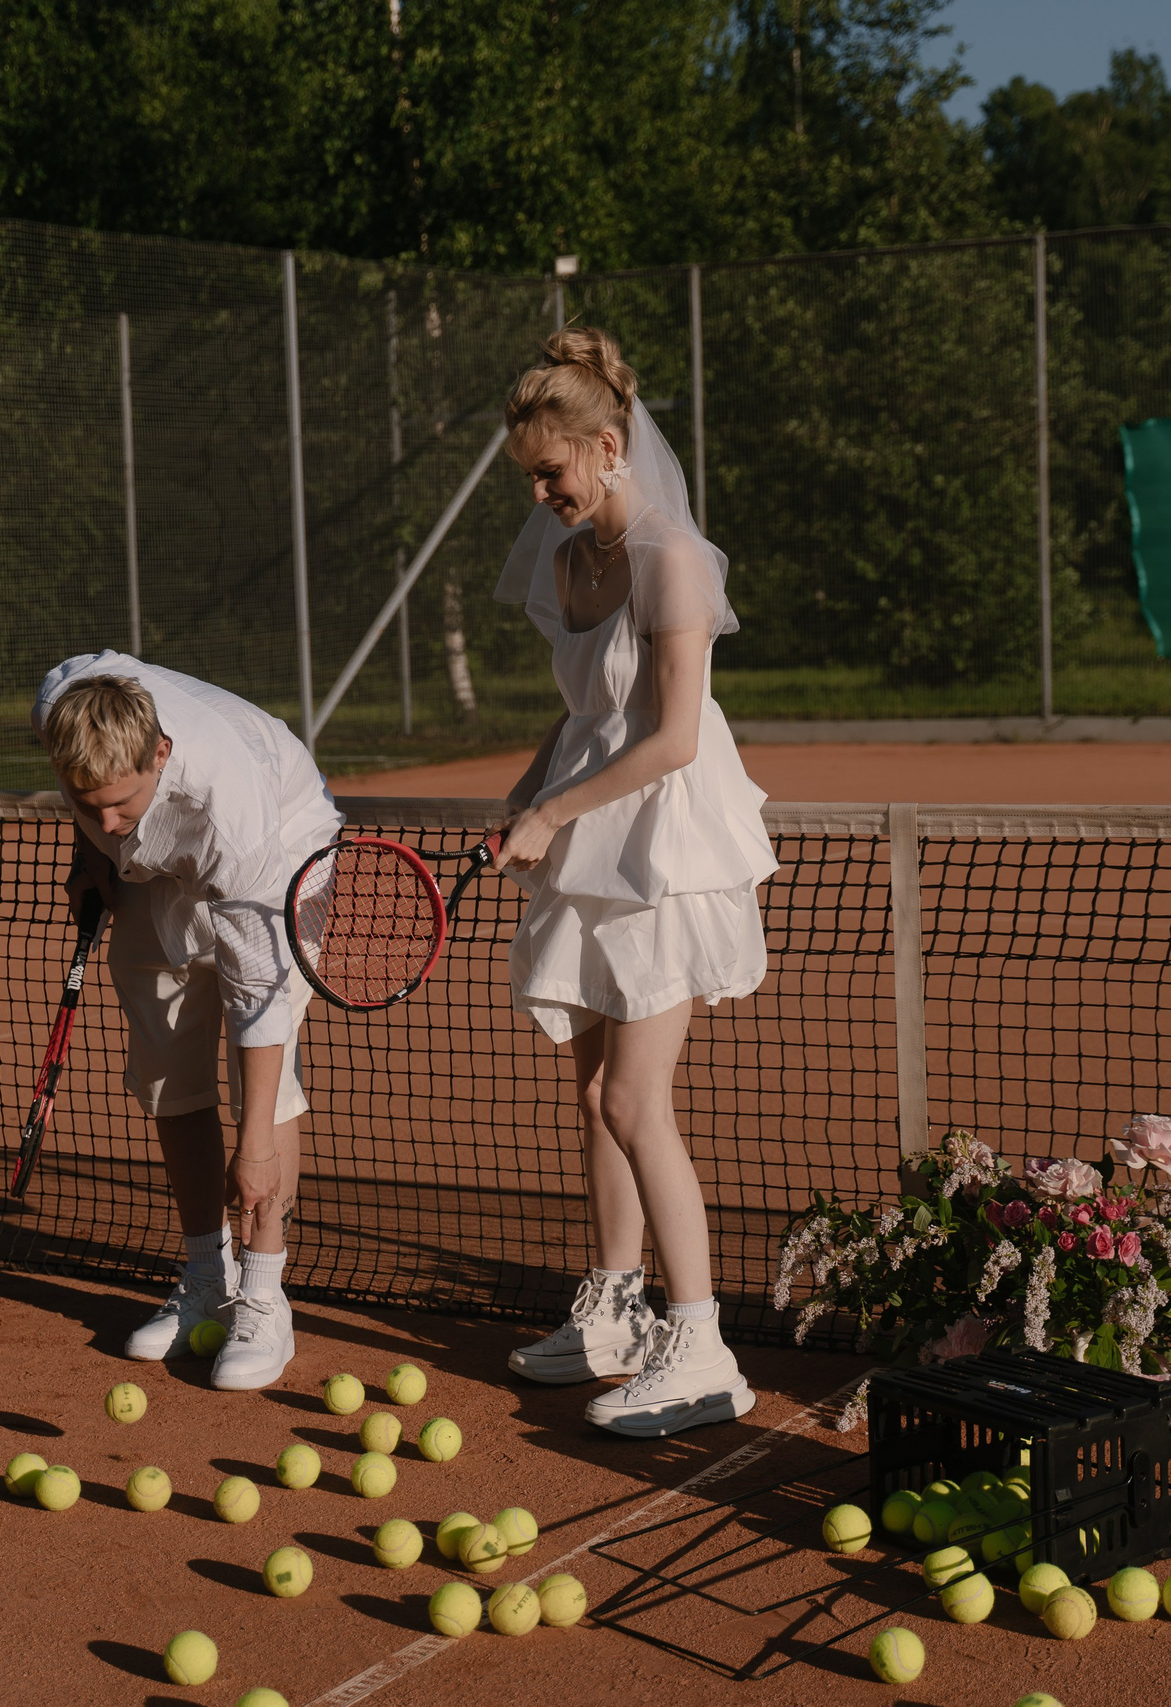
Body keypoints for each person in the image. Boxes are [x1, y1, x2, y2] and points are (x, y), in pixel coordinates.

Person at [490, 327, 779, 1438]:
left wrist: (553, 813)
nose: (542, 493)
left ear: (608, 446)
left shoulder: (672, 561)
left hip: (666, 849)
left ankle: (701, 1343)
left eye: (550, 472)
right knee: (591, 1095)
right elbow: (582, 717)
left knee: (630, 1099)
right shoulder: (571, 563)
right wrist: (526, 795)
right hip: (587, 836)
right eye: (529, 477)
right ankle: (610, 1315)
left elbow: (666, 738)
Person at [32, 653, 342, 1391]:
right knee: (169, 1067)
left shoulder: (230, 808)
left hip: (282, 847)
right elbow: (102, 809)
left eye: (121, 803)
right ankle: (207, 1273)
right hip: (158, 870)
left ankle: (264, 1298)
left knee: (261, 1089)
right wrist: (93, 852)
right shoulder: (58, 710)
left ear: (160, 753)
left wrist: (255, 1146)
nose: (106, 818)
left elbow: (258, 995)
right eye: (87, 801)